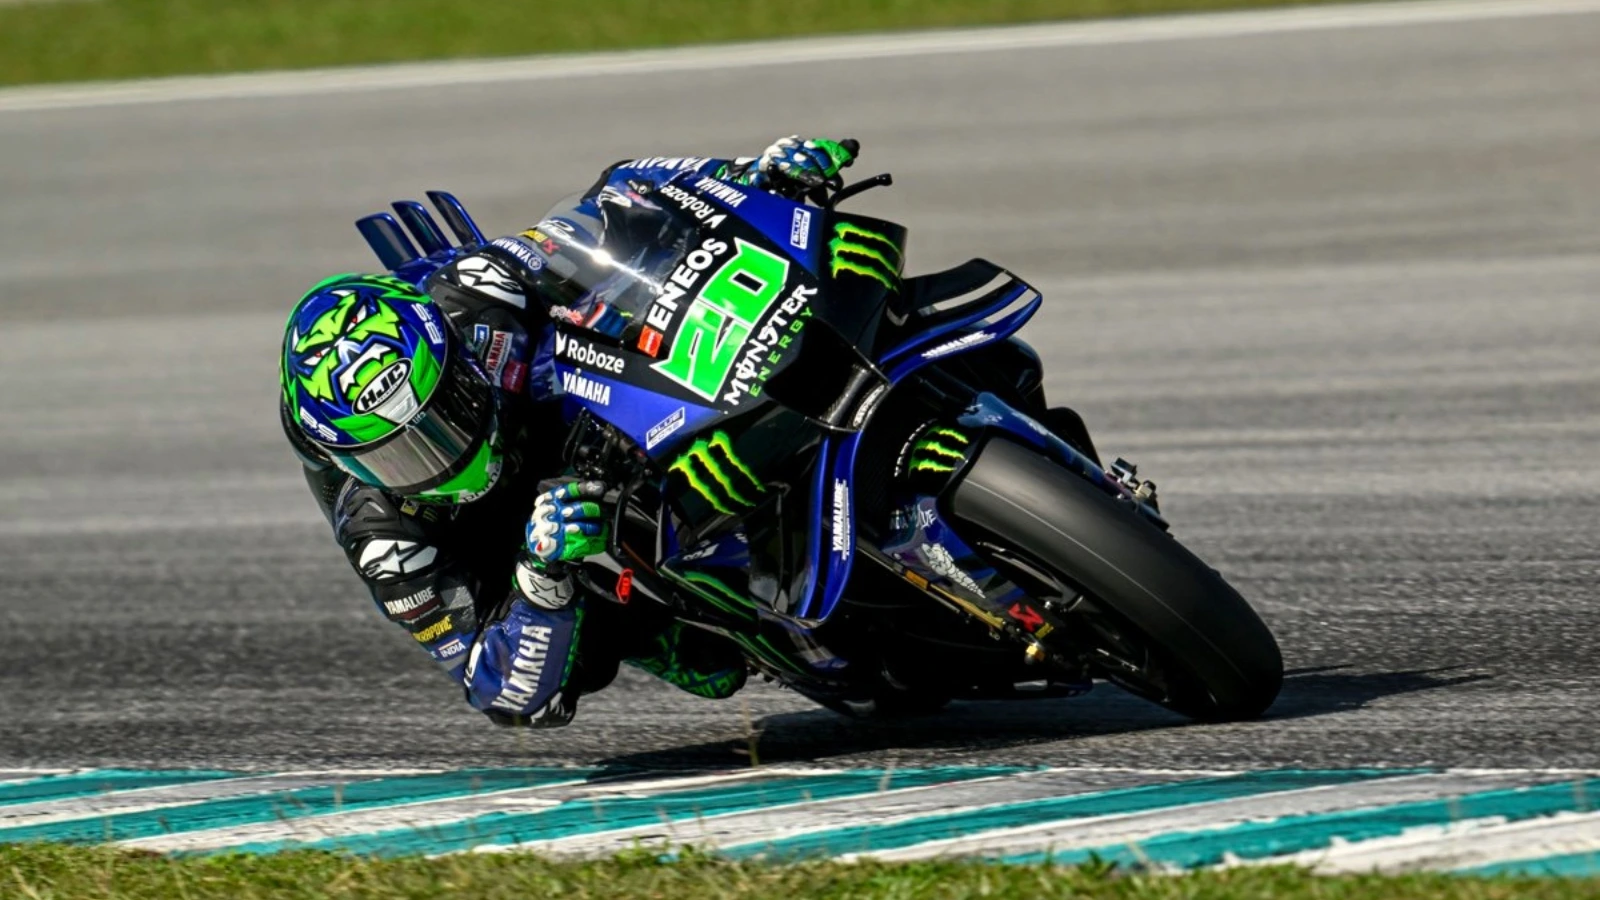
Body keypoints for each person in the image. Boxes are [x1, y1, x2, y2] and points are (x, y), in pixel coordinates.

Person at [278, 137, 859, 726]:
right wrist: (541, 577)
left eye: (437, 424)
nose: (434, 462)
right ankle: (673, 624)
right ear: (350, 463)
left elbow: (619, 197)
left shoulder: (477, 290)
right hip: (518, 540)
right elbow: (500, 693)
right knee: (707, 664)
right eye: (397, 458)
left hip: (575, 410)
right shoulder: (386, 541)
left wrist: (745, 173)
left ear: (455, 362)